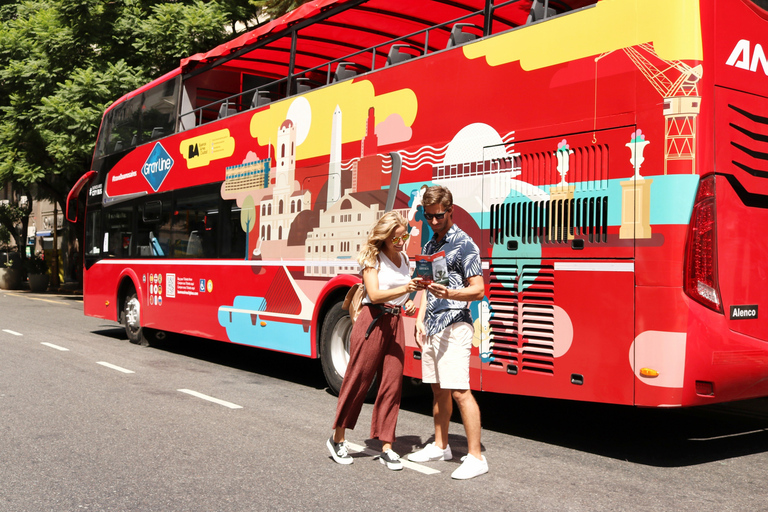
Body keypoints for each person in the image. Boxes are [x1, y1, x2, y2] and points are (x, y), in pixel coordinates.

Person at [327, 211, 420, 471]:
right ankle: (337, 438)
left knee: (392, 384)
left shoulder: (404, 259)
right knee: (359, 379)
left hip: (394, 322)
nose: (402, 241)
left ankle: (387, 446)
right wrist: (406, 289)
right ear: (385, 236)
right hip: (372, 321)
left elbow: (404, 296)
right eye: (396, 237)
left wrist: (409, 303)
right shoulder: (372, 258)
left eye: (405, 235)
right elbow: (376, 294)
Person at [407, 185, 488, 480]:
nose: (433, 221)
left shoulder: (465, 244)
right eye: (428, 217)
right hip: (433, 324)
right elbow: (429, 286)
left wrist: (451, 293)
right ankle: (441, 445)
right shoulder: (430, 245)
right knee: (438, 388)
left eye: (438, 216)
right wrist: (419, 316)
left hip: (456, 323)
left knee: (460, 390)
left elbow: (478, 290)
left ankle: (476, 457)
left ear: (450, 210)